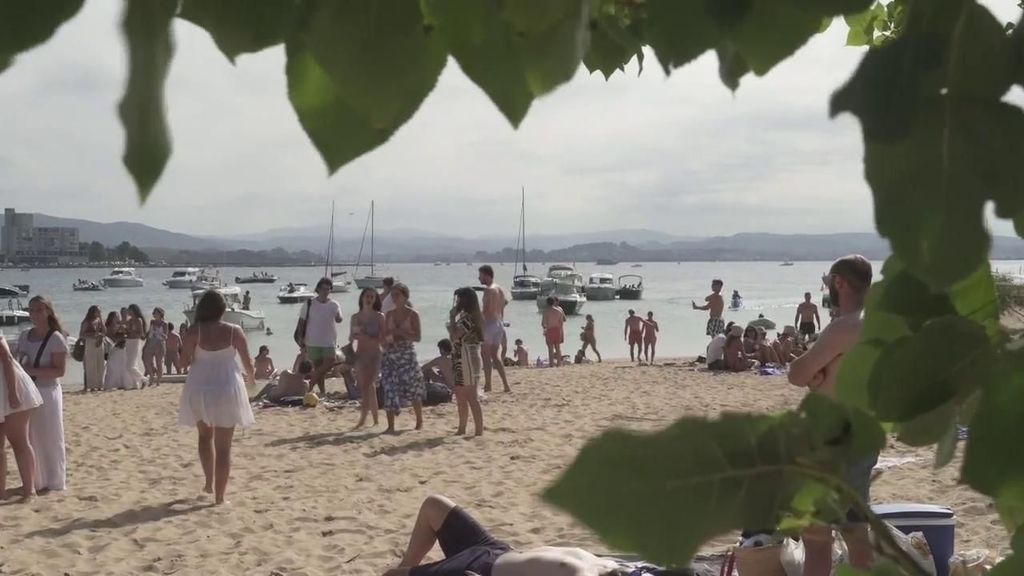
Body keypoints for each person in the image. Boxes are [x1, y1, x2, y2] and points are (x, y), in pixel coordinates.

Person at [788, 255, 875, 576]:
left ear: (839, 283)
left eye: (829, 284)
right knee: (856, 532)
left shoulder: (846, 327)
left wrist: (814, 375)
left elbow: (798, 374)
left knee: (817, 538)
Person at [383, 495, 635, 576]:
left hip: (479, 567)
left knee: (391, 575)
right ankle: (408, 566)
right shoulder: (610, 566)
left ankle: (406, 570)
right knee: (434, 505)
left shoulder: (602, 567)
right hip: (497, 549)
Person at [178, 290, 256, 505]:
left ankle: (209, 482)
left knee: (204, 437)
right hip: (226, 388)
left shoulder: (195, 331)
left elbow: (183, 363)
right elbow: (248, 364)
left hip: (200, 388)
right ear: (222, 309)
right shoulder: (235, 331)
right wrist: (251, 381)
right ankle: (220, 498)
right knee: (224, 447)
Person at [16, 296, 68, 493]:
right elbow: (19, 362)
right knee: (31, 437)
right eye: (31, 310)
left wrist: (30, 370)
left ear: (47, 311)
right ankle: (36, 480)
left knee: (51, 436)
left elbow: (59, 371)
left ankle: (54, 481)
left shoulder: (55, 338)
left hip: (48, 392)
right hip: (27, 393)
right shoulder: (24, 336)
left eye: (38, 310)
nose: (34, 315)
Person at [1, 334, 43, 502]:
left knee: (19, 442)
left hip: (8, 384)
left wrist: (12, 392)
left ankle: (29, 491)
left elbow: (7, 358)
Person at [380, 283, 425, 433]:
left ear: (405, 296)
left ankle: (419, 421)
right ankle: (390, 426)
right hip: (391, 354)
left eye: (397, 295)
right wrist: (387, 339)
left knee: (413, 388)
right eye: (392, 295)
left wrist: (401, 332)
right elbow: (385, 336)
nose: (394, 298)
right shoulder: (389, 315)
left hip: (407, 355)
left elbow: (418, 337)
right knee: (389, 389)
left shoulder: (413, 315)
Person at [295, 277, 343, 396]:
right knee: (318, 367)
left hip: (329, 341)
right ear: (318, 289)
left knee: (329, 363)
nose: (326, 291)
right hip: (312, 341)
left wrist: (337, 316)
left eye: (328, 289)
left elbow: (339, 319)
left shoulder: (334, 304)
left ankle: (310, 385)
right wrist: (301, 340)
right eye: (323, 288)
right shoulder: (309, 303)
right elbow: (301, 322)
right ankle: (322, 391)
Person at [448, 287, 484, 436]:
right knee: (460, 393)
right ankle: (462, 428)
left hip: (467, 355)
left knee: (470, 395)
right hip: (460, 355)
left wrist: (451, 318)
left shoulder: (469, 318)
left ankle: (478, 430)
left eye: (459, 299)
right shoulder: (467, 316)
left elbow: (455, 336)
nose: (456, 302)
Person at [350, 287, 384, 429]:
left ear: (375, 299)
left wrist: (368, 336)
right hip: (360, 354)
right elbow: (351, 337)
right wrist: (354, 338)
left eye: (372, 297)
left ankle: (363, 419)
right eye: (367, 296)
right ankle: (375, 420)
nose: (369, 299)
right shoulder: (355, 317)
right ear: (362, 298)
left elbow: (383, 338)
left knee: (368, 386)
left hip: (375, 354)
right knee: (368, 388)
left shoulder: (380, 317)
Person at [478, 265, 511, 393]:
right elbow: (505, 303)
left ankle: (488, 385)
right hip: (499, 324)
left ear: (486, 275)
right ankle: (506, 385)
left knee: (485, 355)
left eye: (480, 275)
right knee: (495, 356)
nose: (479, 278)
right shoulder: (500, 289)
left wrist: (474, 319)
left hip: (489, 325)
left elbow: (486, 311)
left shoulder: (488, 291)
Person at [78, 305, 106, 392]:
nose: (99, 313)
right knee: (91, 365)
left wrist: (101, 321)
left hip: (99, 342)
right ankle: (92, 385)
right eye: (98, 311)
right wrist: (92, 335)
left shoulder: (99, 321)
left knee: (100, 364)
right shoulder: (86, 322)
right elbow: (81, 335)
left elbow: (105, 331)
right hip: (90, 343)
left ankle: (100, 384)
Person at [142, 307, 168, 387]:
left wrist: (158, 333)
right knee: (147, 360)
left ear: (161, 314)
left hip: (160, 343)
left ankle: (158, 381)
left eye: (157, 313)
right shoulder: (152, 322)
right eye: (154, 313)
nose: (155, 314)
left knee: (159, 362)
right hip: (151, 342)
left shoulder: (165, 323)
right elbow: (149, 333)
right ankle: (152, 377)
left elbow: (166, 337)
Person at [123, 304, 147, 390]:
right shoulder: (129, 320)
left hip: (135, 342)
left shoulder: (138, 320)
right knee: (132, 364)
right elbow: (125, 330)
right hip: (128, 341)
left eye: (130, 310)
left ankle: (143, 379)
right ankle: (135, 384)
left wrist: (131, 331)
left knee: (130, 365)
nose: (129, 312)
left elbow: (140, 333)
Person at [103, 311, 127, 391]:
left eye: (118, 316)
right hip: (113, 346)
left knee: (121, 365)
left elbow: (124, 335)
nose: (117, 318)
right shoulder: (108, 326)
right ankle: (113, 383)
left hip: (120, 347)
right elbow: (109, 336)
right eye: (115, 317)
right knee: (112, 366)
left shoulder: (120, 325)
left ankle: (121, 383)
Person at [541, 297, 566, 367]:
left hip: (550, 330)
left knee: (550, 349)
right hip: (558, 330)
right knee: (558, 348)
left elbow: (543, 323)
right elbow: (561, 322)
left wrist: (544, 330)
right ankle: (559, 363)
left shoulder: (546, 311)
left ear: (547, 303)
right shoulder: (559, 311)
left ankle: (551, 363)